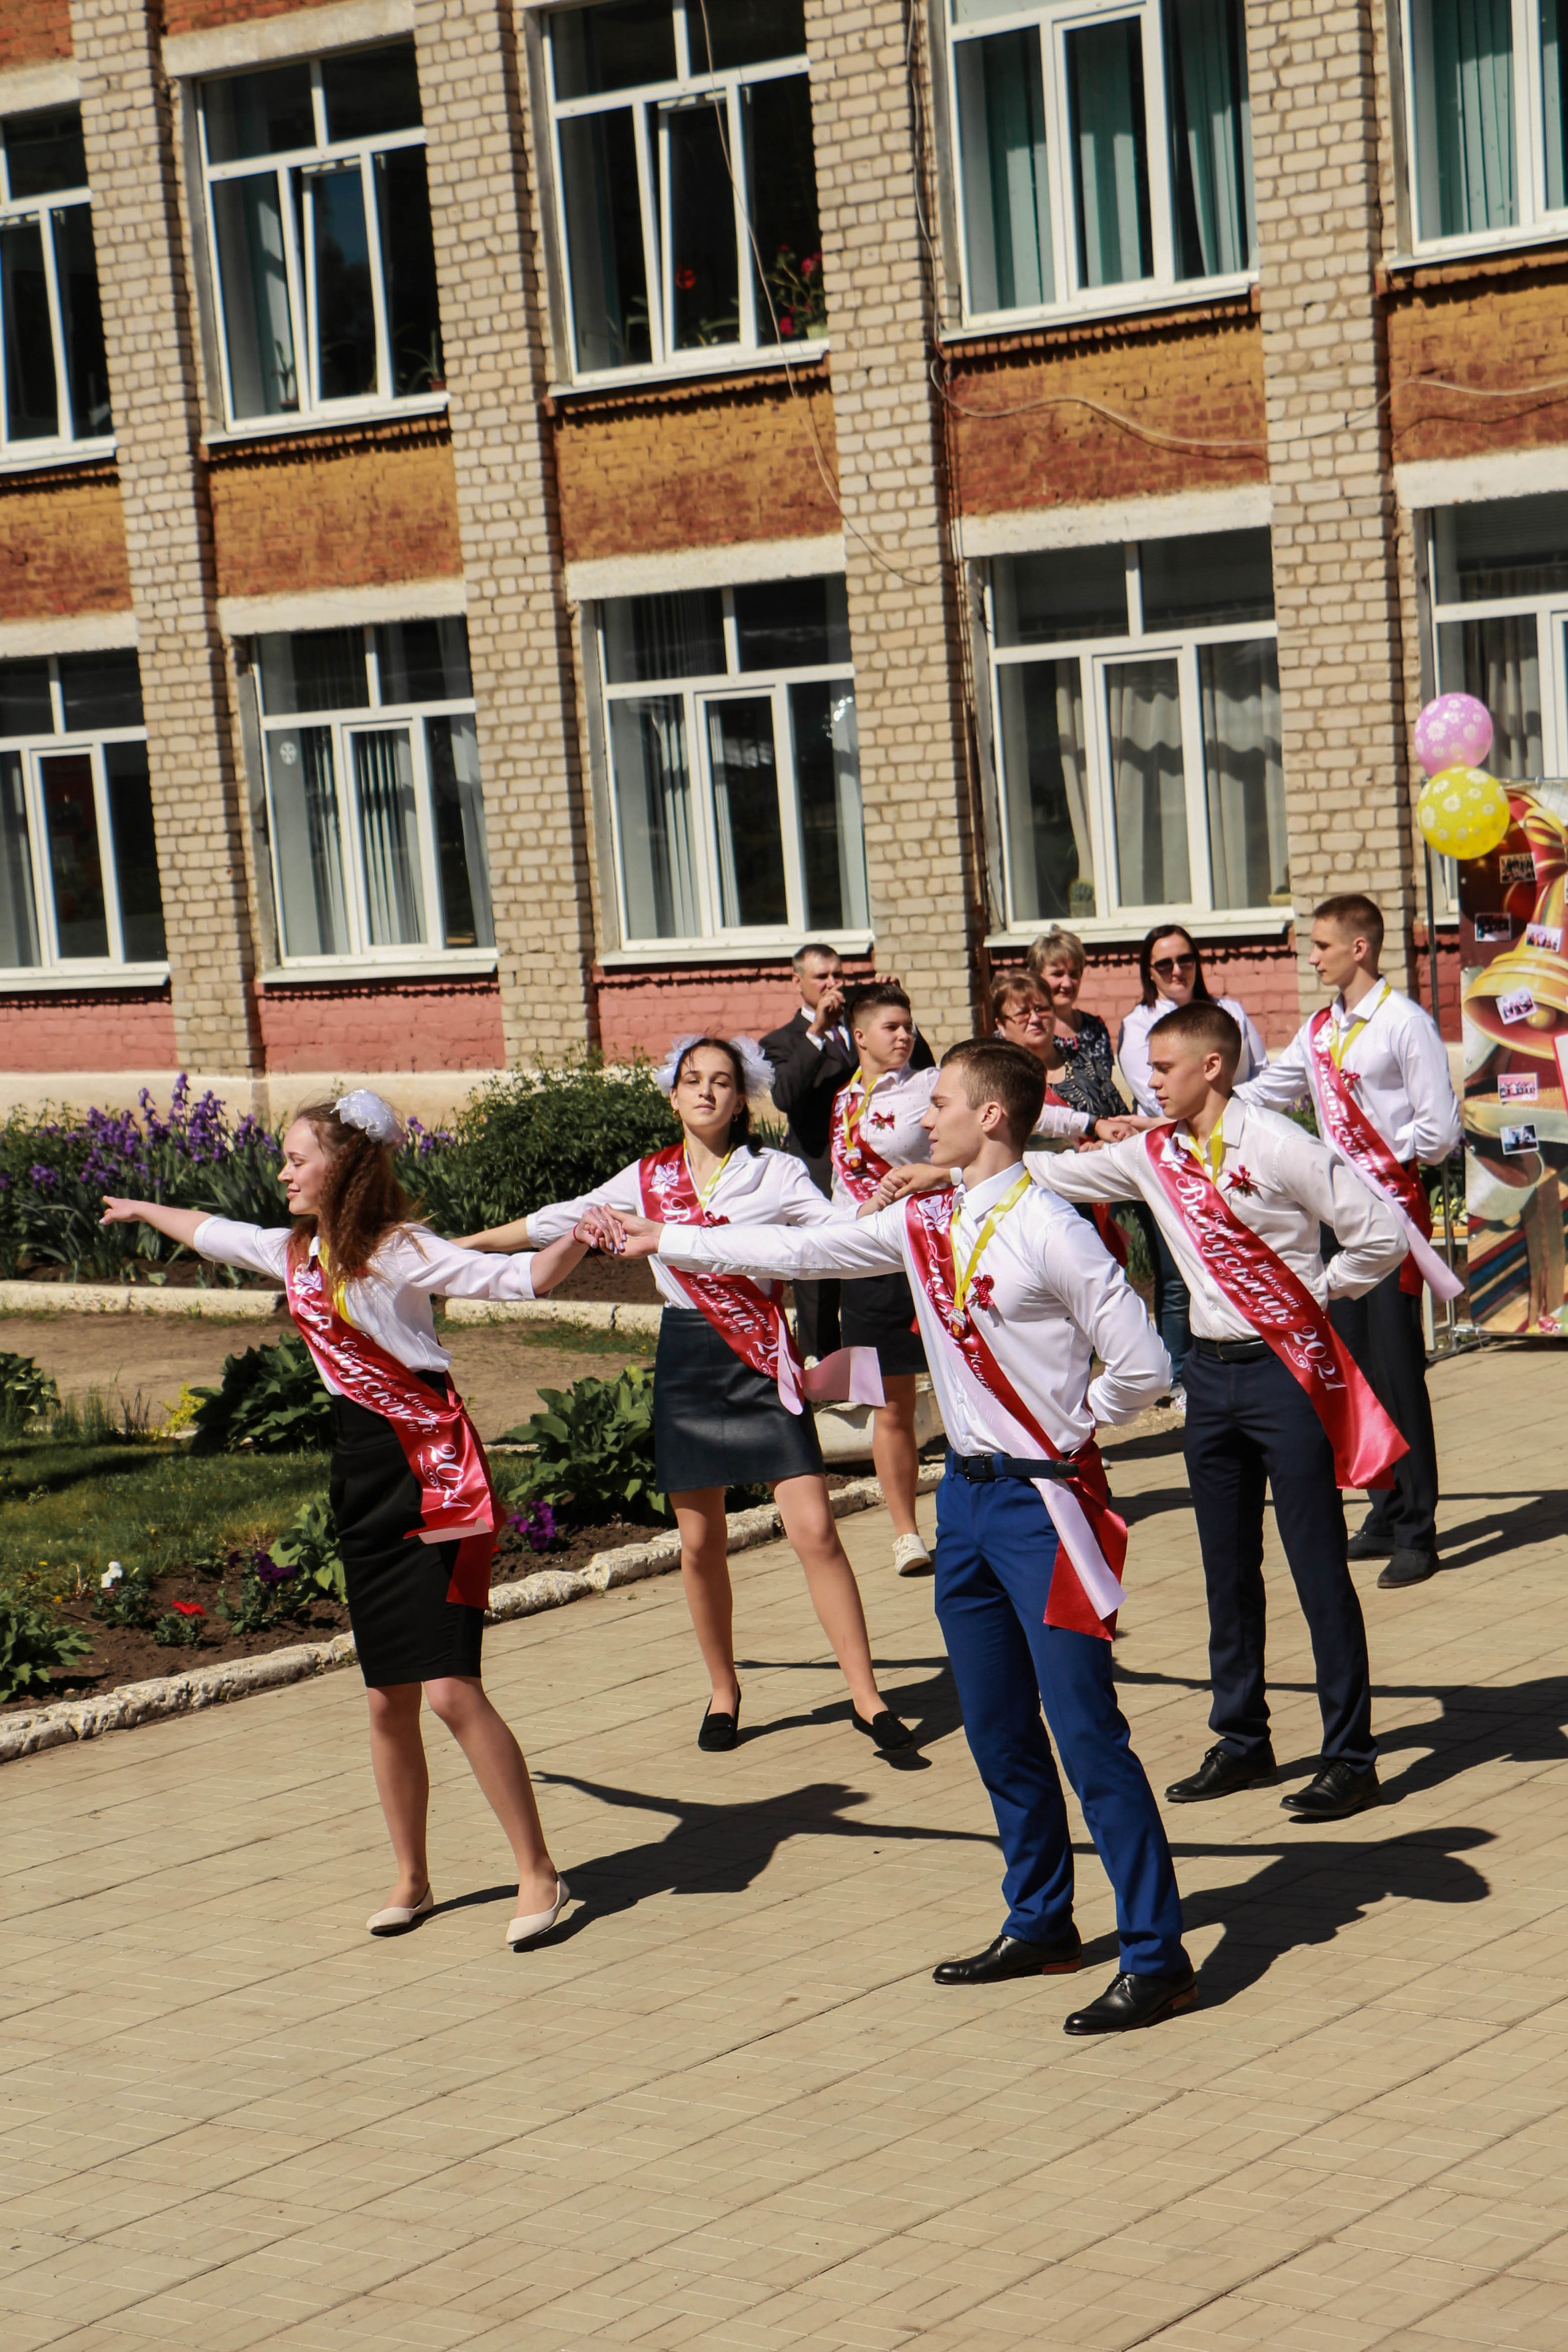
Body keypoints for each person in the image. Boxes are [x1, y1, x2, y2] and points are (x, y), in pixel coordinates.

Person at [615, 1040, 1197, 2035]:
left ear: (994, 1120)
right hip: (963, 1511)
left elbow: (1141, 1361)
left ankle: (1157, 1952)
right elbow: (801, 1255)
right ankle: (1042, 1919)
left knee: (1088, 1734)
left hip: (1045, 1507)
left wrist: (1070, 1422)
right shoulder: (927, 1222)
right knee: (998, 1731)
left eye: (943, 1105)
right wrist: (668, 1241)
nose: (925, 1122)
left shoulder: (1052, 1230)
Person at [96, 1091, 610, 1951]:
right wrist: (146, 1206)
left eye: (299, 1159)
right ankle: (411, 1875)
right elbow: (213, 1231)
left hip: (434, 1471)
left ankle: (538, 1871)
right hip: (362, 1478)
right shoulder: (295, 1252)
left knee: (450, 1689)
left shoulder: (399, 1251)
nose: (284, 1173)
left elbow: (520, 1279)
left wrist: (585, 1234)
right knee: (385, 1700)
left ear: (343, 1166)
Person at [458, 1035, 912, 1755]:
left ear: (741, 1100)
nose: (705, 1091)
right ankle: (723, 1690)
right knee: (699, 1543)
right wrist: (466, 1245)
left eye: (722, 1081)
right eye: (692, 1080)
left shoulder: (777, 1174)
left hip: (760, 1356)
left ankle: (866, 1694)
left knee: (815, 1530)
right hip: (688, 1358)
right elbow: (556, 1220)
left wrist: (882, 1203)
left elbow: (836, 1236)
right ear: (672, 1095)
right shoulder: (645, 1178)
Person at [1036, 1003, 1409, 1822]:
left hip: (1285, 1375)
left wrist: (1316, 1293)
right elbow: (1050, 1177)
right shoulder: (1155, 1155)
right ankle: (1243, 1737)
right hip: (1207, 1378)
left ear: (1213, 1067)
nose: (1149, 1082)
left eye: (1162, 1068)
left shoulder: (1277, 1143)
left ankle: (1352, 1756)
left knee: (1316, 1567)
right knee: (1226, 1568)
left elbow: (1379, 1231)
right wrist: (955, 1170)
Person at [1237, 894, 1464, 1589]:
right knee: (1353, 1370)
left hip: (1391, 1216)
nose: (1311, 956)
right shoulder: (1318, 1031)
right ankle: (1385, 1508)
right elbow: (1267, 1090)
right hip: (1339, 1224)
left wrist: (1378, 1163)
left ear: (1359, 948)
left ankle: (1419, 1531)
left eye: (1321, 945)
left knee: (1396, 1372)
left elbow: (1440, 1130)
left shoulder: (1403, 1023)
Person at [1116, 927, 1268, 1405]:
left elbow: (1260, 1073)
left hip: (1241, 1147)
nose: (1177, 971)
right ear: (1150, 973)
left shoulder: (1229, 1012)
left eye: (1185, 959)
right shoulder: (1140, 1023)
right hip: (1177, 1155)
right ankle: (1182, 1377)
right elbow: (1158, 1099)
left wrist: (1234, 1107)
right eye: (1165, 965)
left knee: (1245, 1256)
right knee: (1180, 1273)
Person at [762, 941, 933, 1362]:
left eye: (838, 975)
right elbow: (785, 1096)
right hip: (822, 1173)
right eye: (822, 977)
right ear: (797, 981)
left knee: (875, 1289)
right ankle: (826, 1371)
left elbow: (921, 1075)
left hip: (881, 1179)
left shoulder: (868, 1027)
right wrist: (817, 1033)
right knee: (819, 1286)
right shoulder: (786, 1040)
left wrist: (892, 1008)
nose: (832, 985)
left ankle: (887, 1364)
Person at [831, 982, 938, 1577]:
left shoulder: (930, 1084)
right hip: (869, 1270)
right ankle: (905, 1534)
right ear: (860, 1036)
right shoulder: (842, 1100)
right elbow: (839, 1191)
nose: (904, 1035)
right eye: (891, 1027)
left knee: (962, 1386)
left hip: (931, 1256)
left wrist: (1086, 1122)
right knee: (890, 1405)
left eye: (908, 1025)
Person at [1025, 928, 1123, 1128]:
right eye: (1058, 974)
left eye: (1074, 974)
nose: (1067, 983)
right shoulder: (1025, 1031)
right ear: (1036, 976)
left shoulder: (1094, 1029)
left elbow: (1104, 1093)